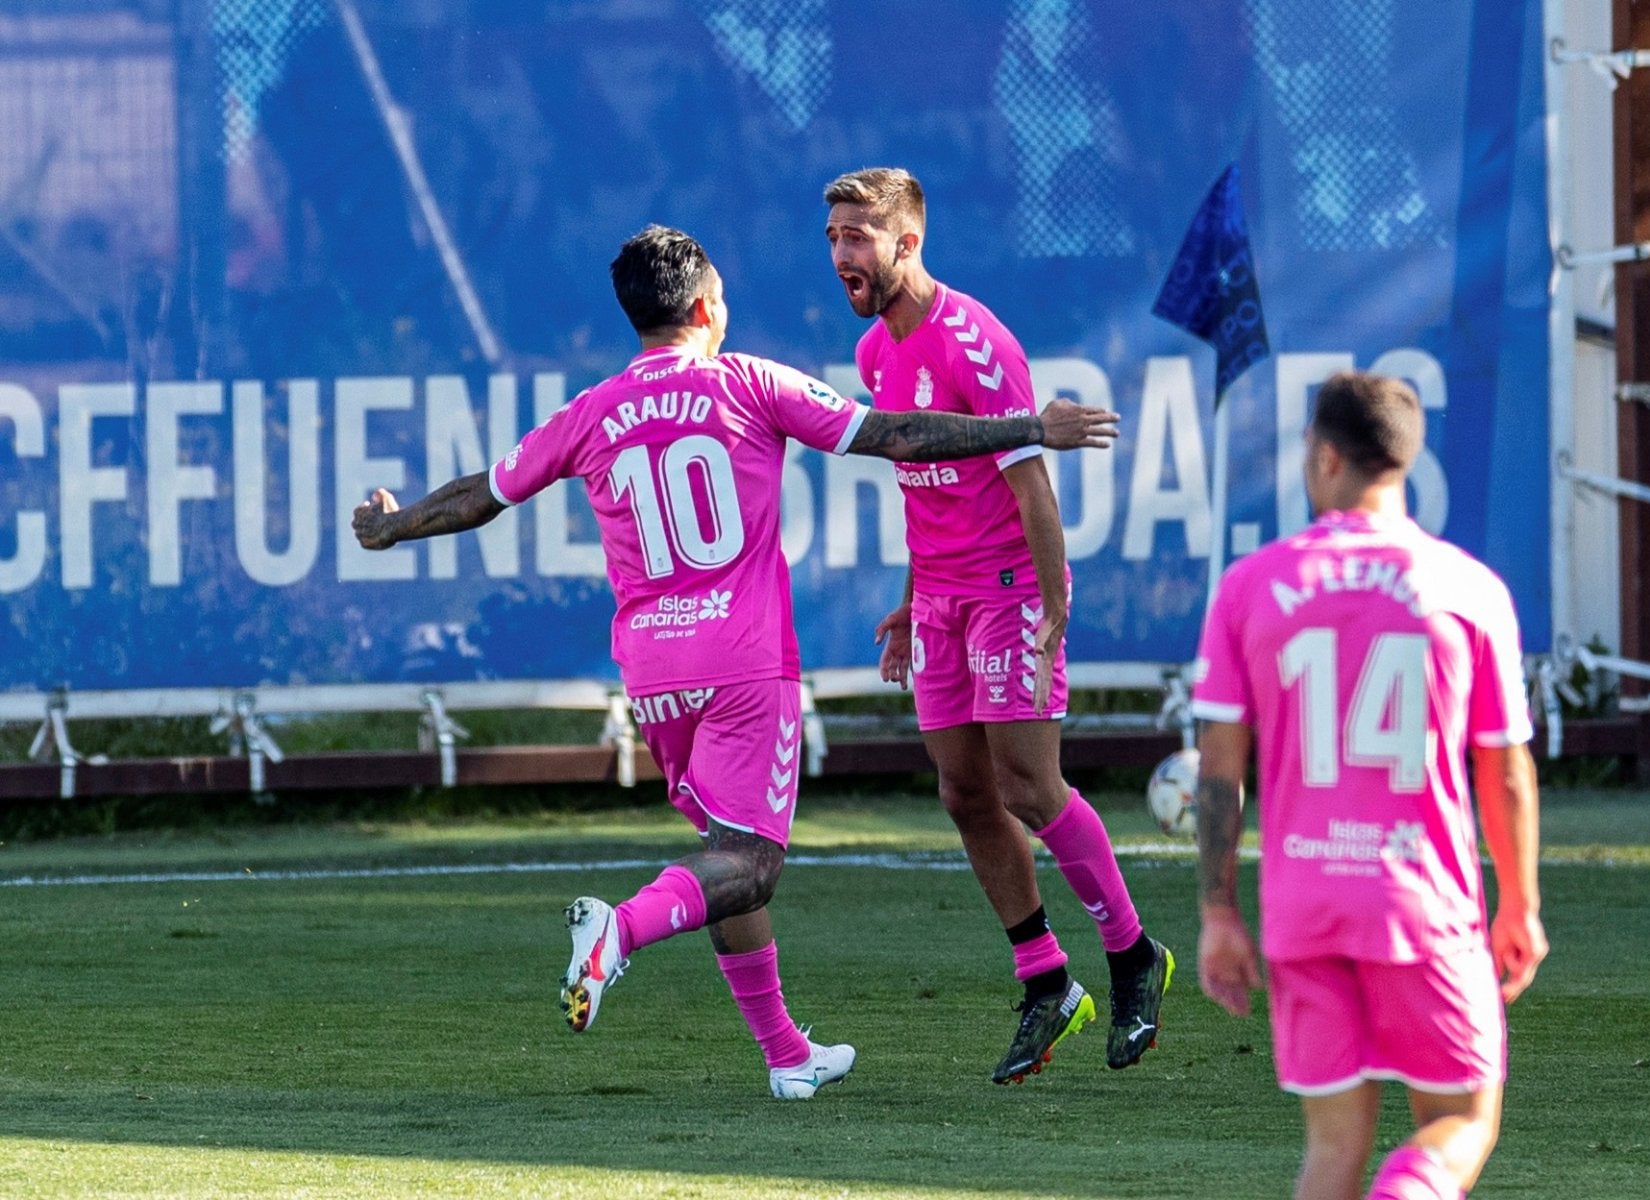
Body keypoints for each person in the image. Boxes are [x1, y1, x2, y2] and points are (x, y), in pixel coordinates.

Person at [352, 224, 1120, 1101]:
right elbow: (898, 435)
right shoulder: (748, 381)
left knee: (721, 856)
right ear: (707, 306)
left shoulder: (593, 410)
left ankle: (787, 1055)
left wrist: (394, 523)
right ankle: (622, 930)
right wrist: (1030, 428)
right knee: (751, 863)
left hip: (654, 674)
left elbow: (482, 495)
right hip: (744, 665)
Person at [822, 167, 1174, 1084]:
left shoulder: (974, 341)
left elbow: (1029, 484)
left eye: (859, 236)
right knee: (963, 795)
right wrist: (911, 595)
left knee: (1027, 783)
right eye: (834, 238)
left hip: (1010, 589)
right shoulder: (873, 356)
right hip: (939, 597)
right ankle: (1045, 980)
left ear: (908, 242)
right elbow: (922, 483)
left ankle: (1133, 953)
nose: (842, 254)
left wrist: (1055, 601)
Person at [1189, 371, 1548, 1198]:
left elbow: (1218, 767)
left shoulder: (1251, 587)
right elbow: (1507, 769)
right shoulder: (1469, 590)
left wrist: (1217, 912)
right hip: (1422, 906)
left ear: (1323, 457)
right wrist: (1520, 902)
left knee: (1332, 1150)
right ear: (1403, 463)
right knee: (1461, 1125)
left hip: (1304, 906)